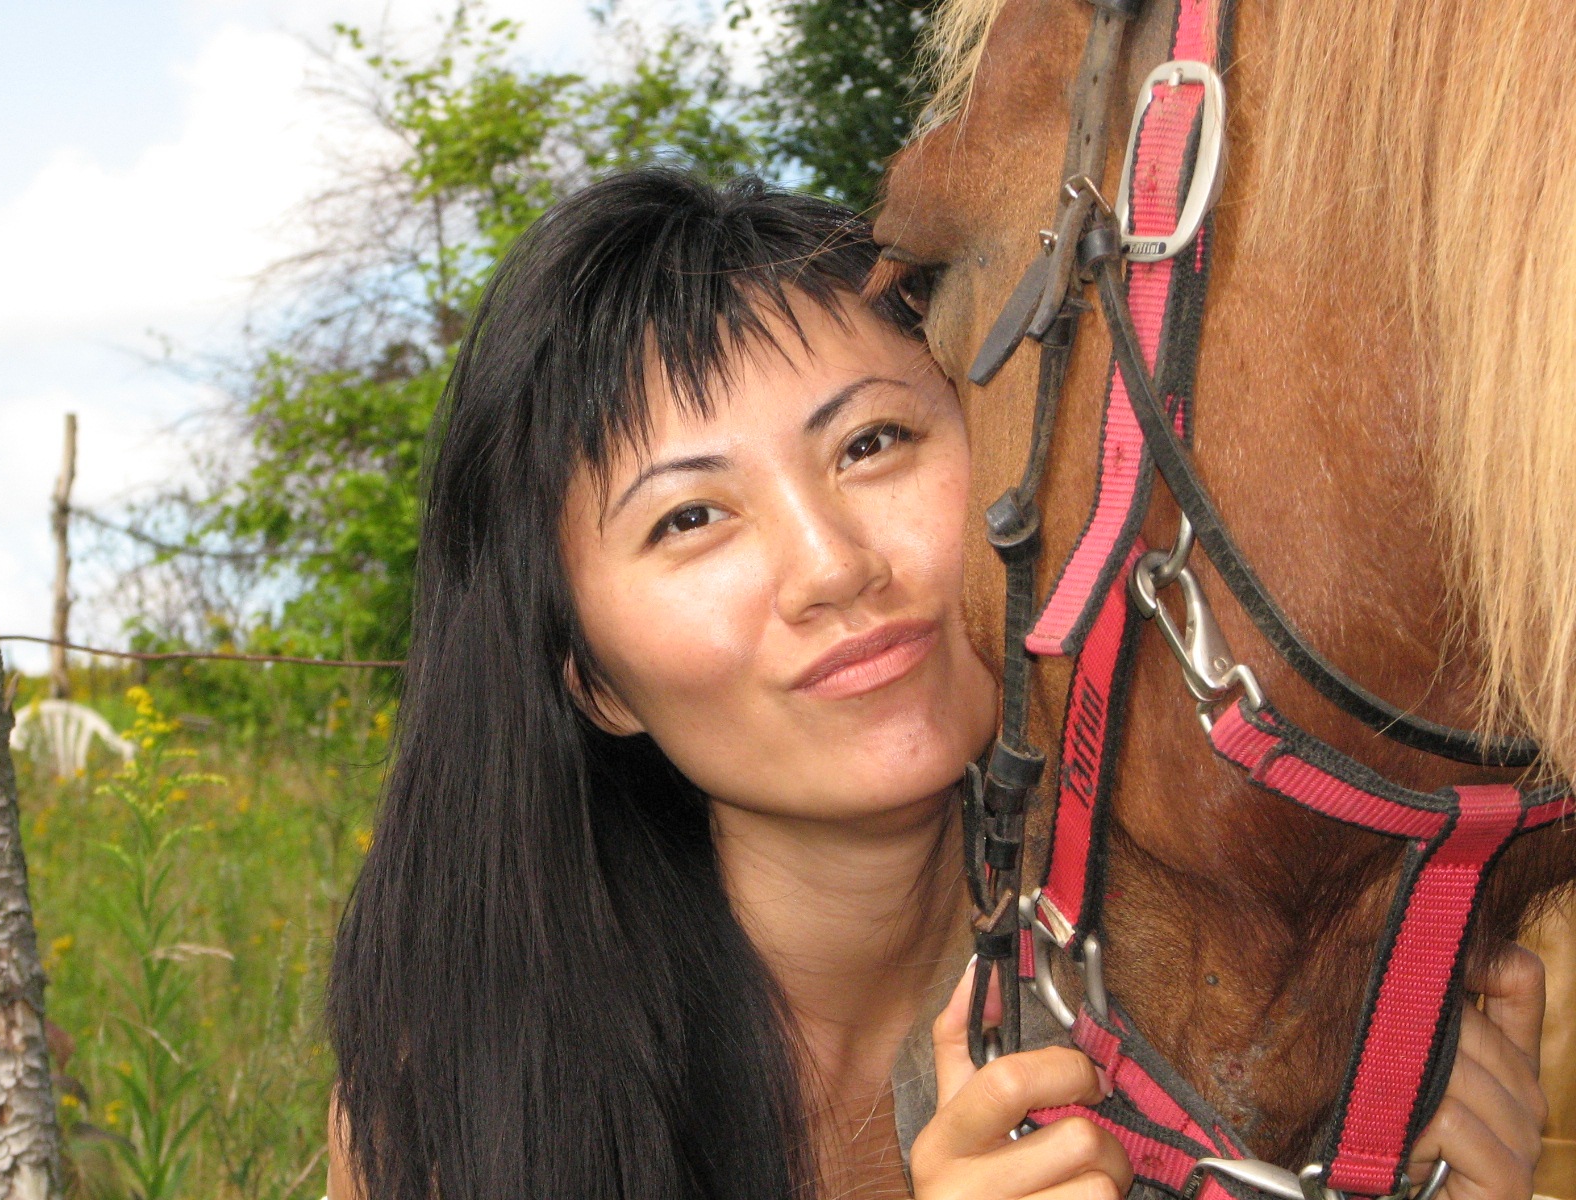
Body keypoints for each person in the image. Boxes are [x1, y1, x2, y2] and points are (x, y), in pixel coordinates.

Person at [324, 169, 1549, 1200]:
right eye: (690, 517)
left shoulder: (1245, 989)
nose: (832, 566)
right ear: (595, 682)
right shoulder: (464, 1098)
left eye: (872, 444)